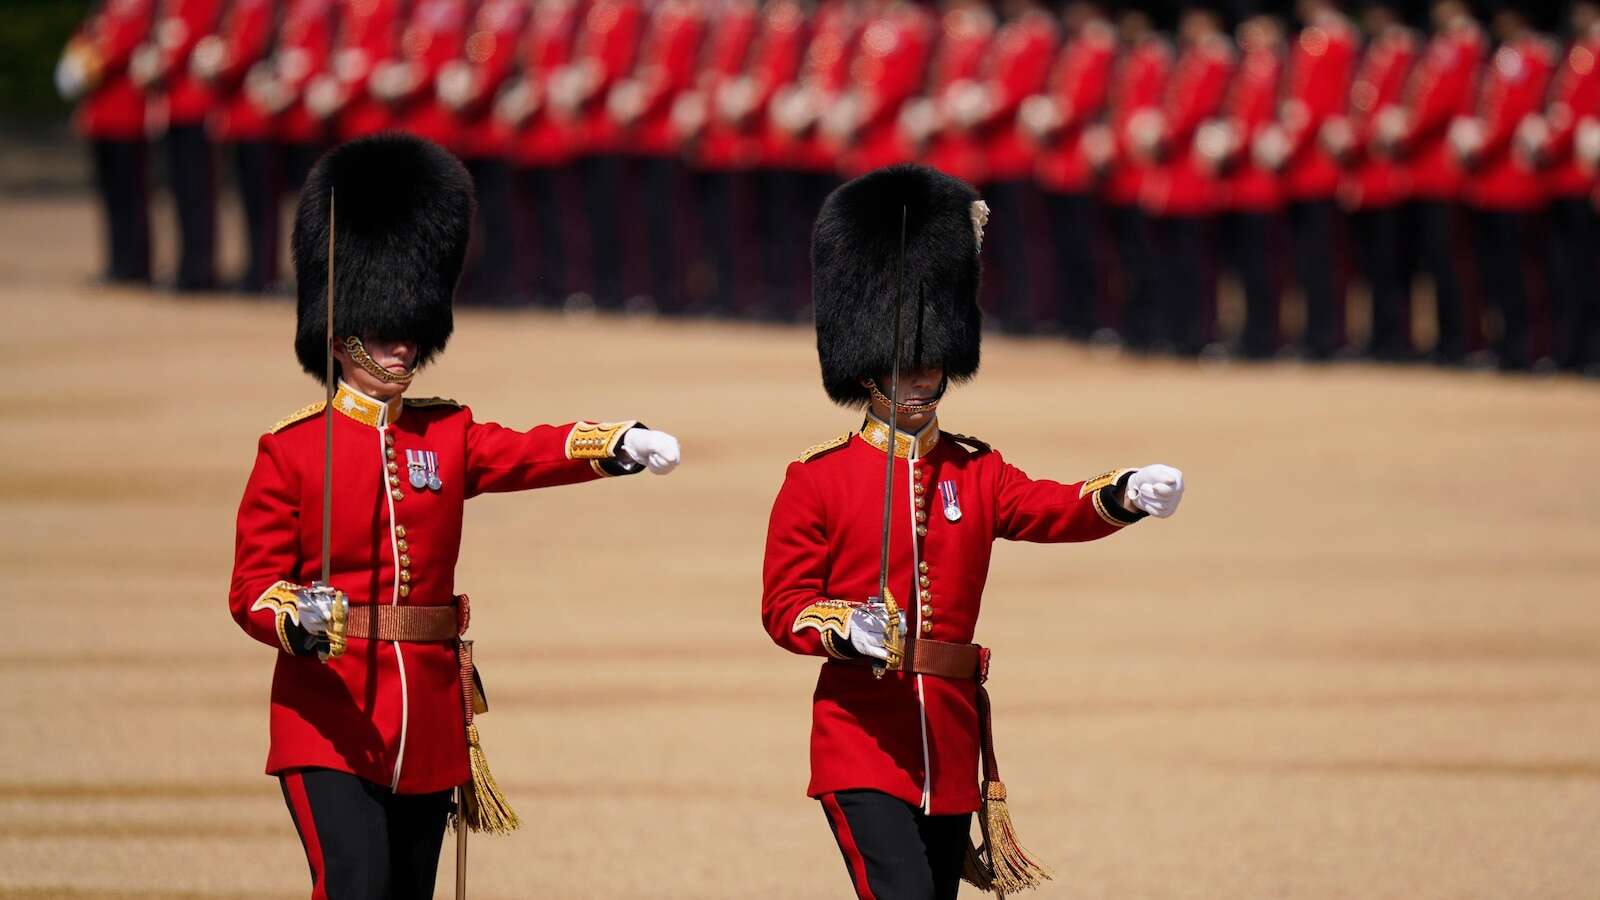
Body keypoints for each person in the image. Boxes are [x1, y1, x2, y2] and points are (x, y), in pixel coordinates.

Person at [228, 134, 682, 899]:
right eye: (384, 332)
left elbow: (528, 452)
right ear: (342, 338)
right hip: (329, 711)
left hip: (428, 718)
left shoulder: (444, 432)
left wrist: (616, 443)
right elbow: (251, 587)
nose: (402, 346)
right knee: (353, 885)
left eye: (410, 329)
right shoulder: (293, 449)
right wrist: (294, 619)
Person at [761, 163, 1186, 899]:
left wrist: (1121, 495)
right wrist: (843, 630)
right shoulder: (818, 478)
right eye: (908, 371)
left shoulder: (975, 469)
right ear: (867, 375)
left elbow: (1050, 508)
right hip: (860, 742)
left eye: (935, 370)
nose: (924, 383)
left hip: (950, 748)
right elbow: (784, 604)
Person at [1376, 0, 1484, 364]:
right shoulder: (1439, 47)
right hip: (1421, 172)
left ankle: (1461, 340)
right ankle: (1441, 339)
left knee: (1451, 261)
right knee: (1429, 263)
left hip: (1444, 171)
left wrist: (1407, 128)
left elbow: (1444, 102)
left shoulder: (1466, 46)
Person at [1256, 0, 1357, 359]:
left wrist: (1288, 140)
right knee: (1307, 260)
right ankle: (1315, 335)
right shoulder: (1311, 40)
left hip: (1321, 167)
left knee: (1325, 259)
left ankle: (1328, 336)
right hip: (1301, 169)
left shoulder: (1334, 39)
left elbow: (1318, 104)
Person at [1327, 1, 1417, 360]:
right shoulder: (1373, 53)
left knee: (1393, 267)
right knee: (1371, 268)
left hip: (1391, 178)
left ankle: (1397, 339)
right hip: (1365, 179)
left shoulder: (1403, 52)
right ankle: (1380, 337)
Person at [1024, 0, 1116, 340]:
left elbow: (1092, 100)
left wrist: (1060, 114)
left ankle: (1095, 318)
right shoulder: (1075, 46)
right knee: (1065, 246)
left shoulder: (1102, 48)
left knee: (1088, 246)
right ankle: (1070, 315)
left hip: (1085, 160)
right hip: (1061, 161)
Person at [1202, 12, 1286, 360]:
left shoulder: (1276, 70)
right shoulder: (1245, 70)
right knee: (1239, 268)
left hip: (1262, 185)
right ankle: (1246, 332)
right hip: (1236, 183)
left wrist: (1236, 141)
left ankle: (1264, 336)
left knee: (1262, 267)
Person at [1523, 1, 1600, 373]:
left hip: (1587, 176)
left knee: (1588, 270)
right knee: (1567, 270)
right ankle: (1571, 349)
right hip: (1564, 177)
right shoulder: (1578, 52)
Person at [57, 0, 156, 286]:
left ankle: (136, 264)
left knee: (130, 195)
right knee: (111, 195)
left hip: (126, 116)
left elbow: (119, 49)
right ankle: (118, 262)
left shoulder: (138, 7)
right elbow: (83, 45)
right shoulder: (104, 9)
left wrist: (86, 62)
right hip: (101, 116)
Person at [135, 0, 225, 291]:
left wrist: (159, 62)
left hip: (195, 107)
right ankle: (187, 266)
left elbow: (189, 38)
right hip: (173, 107)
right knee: (181, 193)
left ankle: (199, 269)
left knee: (197, 194)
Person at [194, 0, 282, 292]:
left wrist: (223, 62)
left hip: (261, 112)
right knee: (246, 200)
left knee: (262, 202)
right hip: (238, 116)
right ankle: (253, 270)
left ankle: (263, 272)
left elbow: (251, 48)